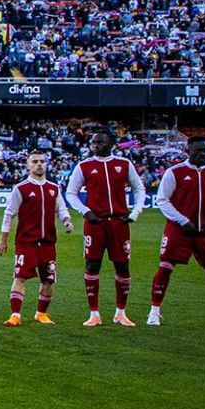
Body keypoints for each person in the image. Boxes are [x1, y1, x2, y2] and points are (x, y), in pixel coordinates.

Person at [65, 127, 147, 327]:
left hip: (119, 223)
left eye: (101, 142)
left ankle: (121, 313)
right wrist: (86, 212)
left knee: (122, 266)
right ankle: (94, 313)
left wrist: (134, 213)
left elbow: (139, 188)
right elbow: (71, 193)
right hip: (95, 223)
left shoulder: (124, 164)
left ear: (111, 144)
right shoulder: (84, 166)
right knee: (92, 264)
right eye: (93, 143)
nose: (96, 146)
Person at [148, 136, 205, 326]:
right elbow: (162, 200)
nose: (202, 154)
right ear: (187, 150)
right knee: (165, 267)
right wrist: (182, 220)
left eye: (204, 150)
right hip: (179, 230)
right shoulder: (174, 172)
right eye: (197, 150)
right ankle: (154, 311)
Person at [0, 151, 73, 326]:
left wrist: (67, 221)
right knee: (20, 277)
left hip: (48, 242)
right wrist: (3, 239)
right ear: (28, 166)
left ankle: (41, 314)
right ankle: (15, 315)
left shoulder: (54, 188)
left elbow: (61, 208)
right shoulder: (21, 188)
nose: (39, 164)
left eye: (42, 161)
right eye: (35, 162)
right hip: (27, 242)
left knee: (48, 280)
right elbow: (9, 214)